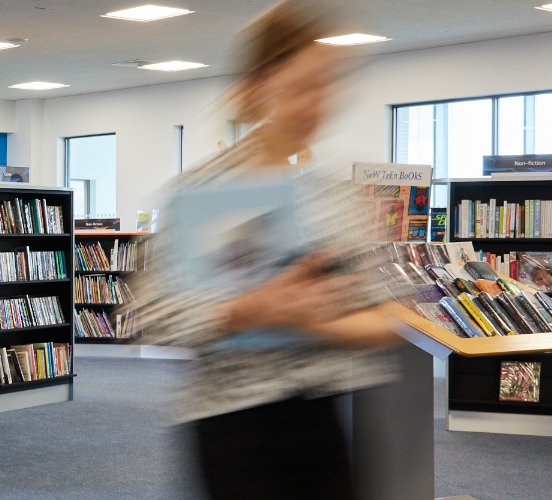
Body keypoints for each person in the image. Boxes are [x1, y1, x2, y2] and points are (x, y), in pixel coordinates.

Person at [134, 2, 401, 498]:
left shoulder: (335, 194)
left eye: (326, 87)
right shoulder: (199, 194)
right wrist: (247, 310)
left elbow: (383, 319)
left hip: (321, 414)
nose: (316, 104)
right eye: (301, 87)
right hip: (232, 422)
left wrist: (308, 320)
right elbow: (152, 316)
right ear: (258, 85)